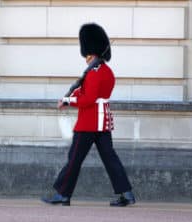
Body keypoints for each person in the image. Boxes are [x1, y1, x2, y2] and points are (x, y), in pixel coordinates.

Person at [42, 23, 135, 207]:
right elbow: (88, 94)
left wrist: (67, 101)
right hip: (103, 123)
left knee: (74, 160)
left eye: (87, 55)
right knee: (110, 159)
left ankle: (63, 194)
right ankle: (127, 193)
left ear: (92, 53)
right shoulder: (107, 72)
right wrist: (73, 96)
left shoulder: (93, 73)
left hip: (88, 123)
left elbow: (88, 99)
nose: (86, 58)